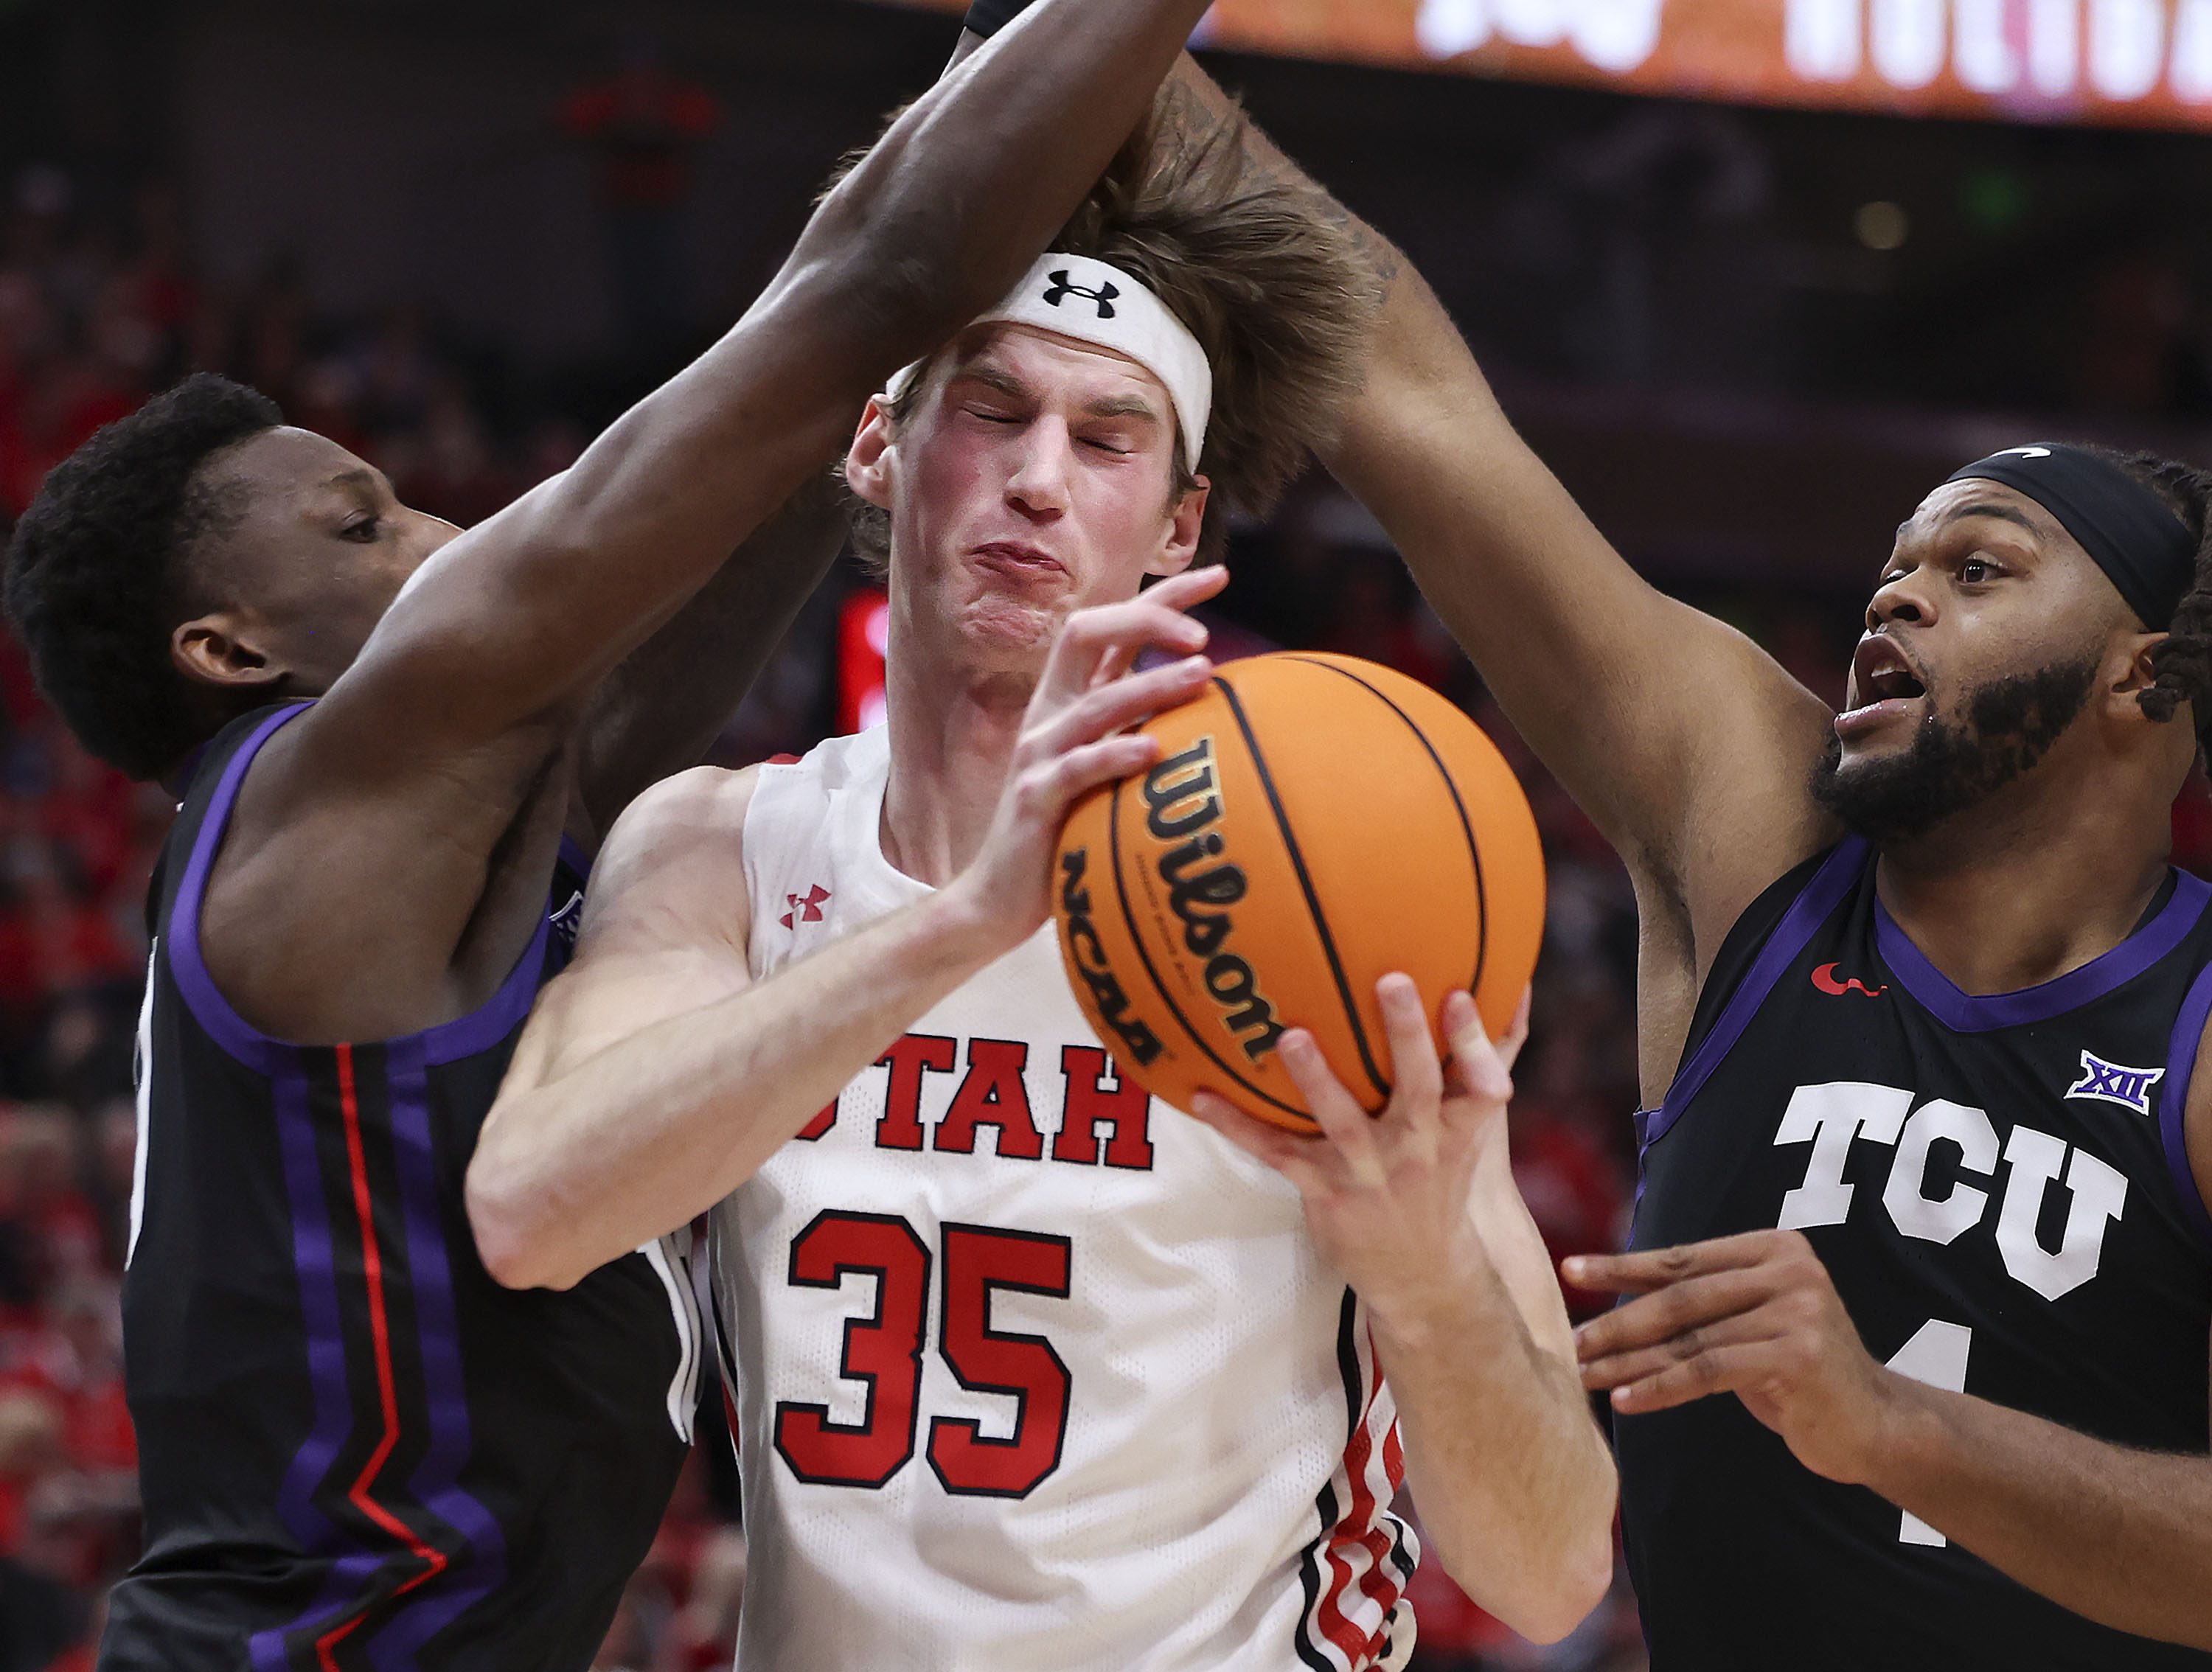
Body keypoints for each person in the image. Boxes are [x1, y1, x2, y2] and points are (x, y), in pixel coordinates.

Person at [0, 2, 1220, 1665]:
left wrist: (919, 336)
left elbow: (804, 412)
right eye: (359, 522)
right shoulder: (312, 809)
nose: (437, 519)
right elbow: (866, 278)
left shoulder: (474, 848)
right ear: (231, 651)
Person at [465, 47, 1616, 1672]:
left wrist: (1424, 1281)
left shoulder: (1333, 879)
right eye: (992, 409)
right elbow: (533, 1209)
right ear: (880, 446)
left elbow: (1555, 1568)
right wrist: (959, 924)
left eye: (1104, 439)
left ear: (1178, 528)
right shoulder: (728, 846)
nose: (1033, 478)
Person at [1178, 53, 2212, 1672]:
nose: (1895, 597)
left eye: (1978, 568)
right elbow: (1409, 396)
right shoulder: (1763, 839)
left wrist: (1888, 1425)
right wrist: (1092, 53)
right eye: (1892, 564)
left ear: (2145, 680)